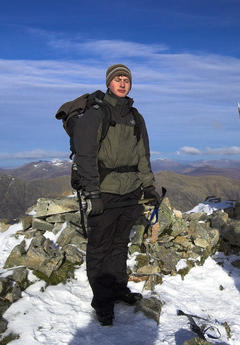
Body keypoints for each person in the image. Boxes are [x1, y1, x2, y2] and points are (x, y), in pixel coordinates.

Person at [73, 63, 161, 326]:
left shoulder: (136, 117)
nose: (122, 83)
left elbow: (142, 155)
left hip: (131, 190)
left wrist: (149, 186)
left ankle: (119, 288)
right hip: (105, 190)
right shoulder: (97, 115)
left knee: (120, 243)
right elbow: (85, 156)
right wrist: (93, 192)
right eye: (117, 79)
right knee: (100, 246)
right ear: (109, 83)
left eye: (126, 79)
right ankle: (101, 300)